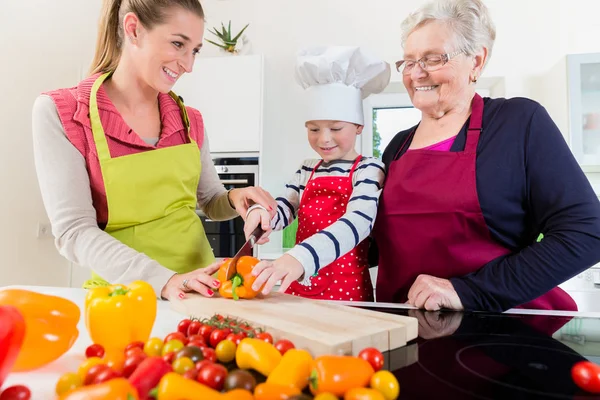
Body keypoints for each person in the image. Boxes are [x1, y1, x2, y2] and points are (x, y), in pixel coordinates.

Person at [31, 0, 276, 302]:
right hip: (124, 299)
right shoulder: (64, 113)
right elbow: (74, 231)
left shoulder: (189, 119)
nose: (189, 64)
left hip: (204, 290)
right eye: (178, 44)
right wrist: (165, 280)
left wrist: (238, 198)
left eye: (195, 50)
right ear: (133, 29)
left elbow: (211, 200)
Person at [372, 0, 600, 312]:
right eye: (409, 62)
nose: (416, 74)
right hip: (407, 332)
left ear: (476, 62)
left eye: (433, 58)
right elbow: (379, 247)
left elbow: (587, 232)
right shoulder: (397, 146)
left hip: (502, 335)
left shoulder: (517, 123)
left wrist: (468, 291)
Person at [244, 46, 390, 301]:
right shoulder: (307, 168)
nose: (324, 139)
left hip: (346, 288)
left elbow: (358, 222)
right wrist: (262, 215)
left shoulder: (368, 169)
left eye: (335, 128)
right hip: (300, 280)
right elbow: (285, 208)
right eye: (313, 129)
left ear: (358, 126)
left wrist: (301, 257)